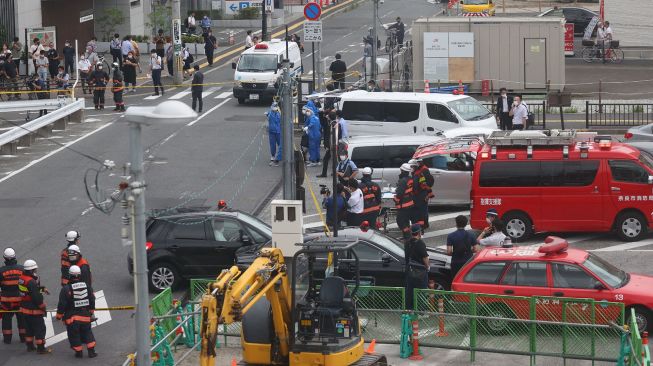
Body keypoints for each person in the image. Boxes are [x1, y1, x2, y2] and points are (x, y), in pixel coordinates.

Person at [56, 265, 97, 358]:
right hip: (85, 316)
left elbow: (62, 304)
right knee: (87, 332)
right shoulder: (87, 286)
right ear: (80, 275)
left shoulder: (66, 289)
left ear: (69, 275)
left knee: (74, 335)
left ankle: (79, 353)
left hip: (72, 318)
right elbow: (92, 299)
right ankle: (91, 351)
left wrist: (59, 316)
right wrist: (91, 311)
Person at [19, 259, 51, 354]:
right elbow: (35, 296)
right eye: (35, 270)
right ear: (31, 270)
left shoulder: (21, 279)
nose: (36, 271)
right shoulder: (31, 282)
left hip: (24, 309)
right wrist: (42, 306)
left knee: (28, 329)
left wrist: (42, 289)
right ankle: (41, 349)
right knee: (40, 329)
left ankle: (30, 346)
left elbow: (29, 291)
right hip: (34, 310)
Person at [1, 248, 26, 344]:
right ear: (15, 256)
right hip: (20, 299)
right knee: (21, 318)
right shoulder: (22, 269)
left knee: (6, 319)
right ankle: (23, 338)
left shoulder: (1, 271)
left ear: (4, 258)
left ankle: (7, 339)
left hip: (6, 301)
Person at [404, 224, 429, 310]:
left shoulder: (407, 243)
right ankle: (421, 310)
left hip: (410, 270)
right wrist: (428, 267)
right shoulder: (420, 243)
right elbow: (425, 258)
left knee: (410, 291)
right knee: (421, 291)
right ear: (419, 233)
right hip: (420, 272)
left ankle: (409, 309)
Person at [410, 158, 434, 231]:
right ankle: (424, 225)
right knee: (422, 211)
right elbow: (422, 182)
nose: (411, 168)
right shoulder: (419, 171)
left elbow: (426, 182)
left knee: (422, 211)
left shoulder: (423, 170)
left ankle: (423, 225)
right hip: (422, 193)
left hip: (421, 194)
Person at [394, 163, 415, 239]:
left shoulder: (403, 180)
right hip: (409, 203)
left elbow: (400, 193)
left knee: (400, 221)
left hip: (404, 205)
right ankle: (407, 235)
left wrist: (395, 199)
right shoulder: (410, 179)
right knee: (406, 221)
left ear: (402, 171)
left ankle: (407, 236)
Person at [266, 102, 282, 166]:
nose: (274, 108)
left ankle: (278, 158)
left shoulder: (279, 113)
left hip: (279, 132)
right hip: (271, 131)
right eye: (273, 106)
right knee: (272, 145)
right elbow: (269, 117)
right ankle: (273, 156)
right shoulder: (270, 112)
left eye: (275, 106)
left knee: (280, 145)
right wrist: (267, 115)